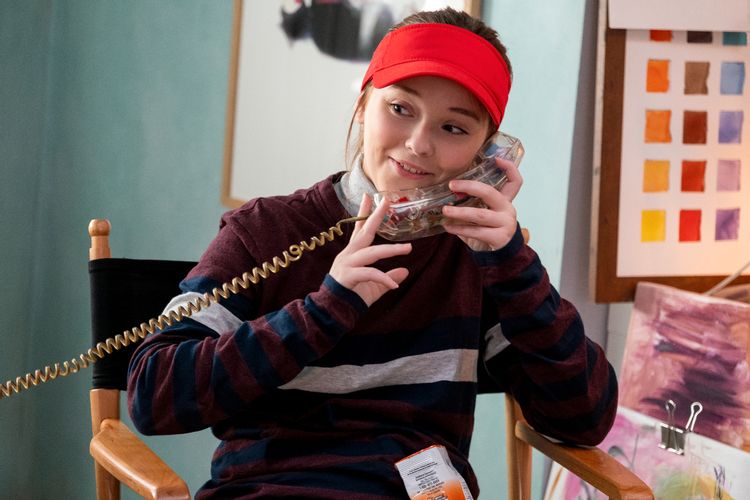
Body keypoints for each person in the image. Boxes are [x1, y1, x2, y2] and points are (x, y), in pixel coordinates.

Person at [127, 7, 617, 499]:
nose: (418, 144)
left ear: (487, 153)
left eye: (453, 128)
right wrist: (322, 313)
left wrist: (514, 268)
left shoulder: (481, 256)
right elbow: (153, 395)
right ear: (363, 105)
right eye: (400, 109)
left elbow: (583, 419)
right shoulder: (265, 230)